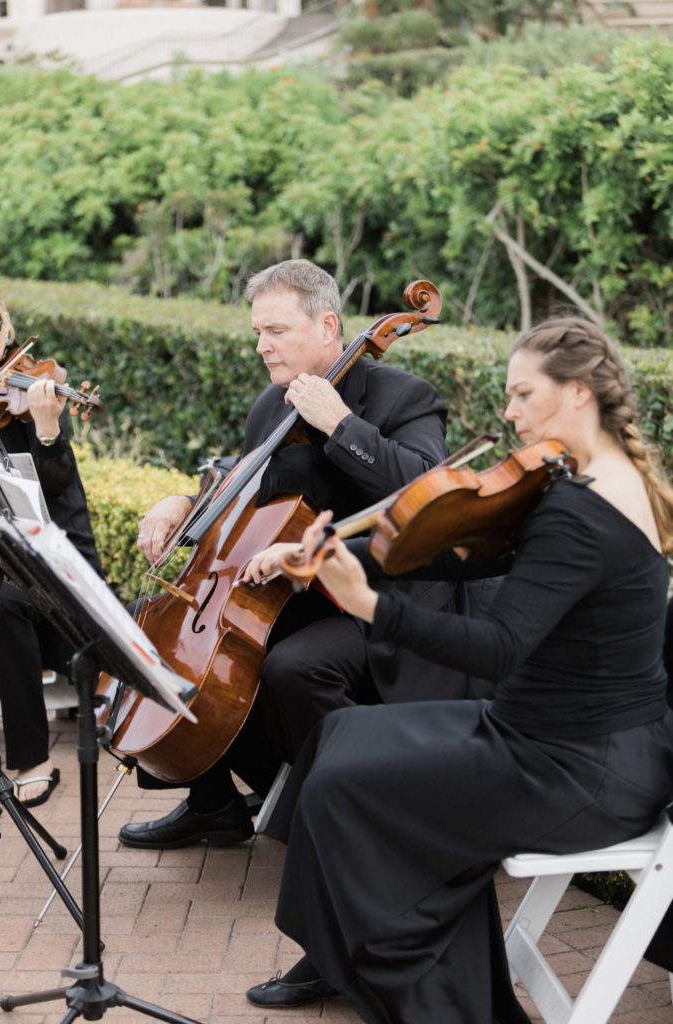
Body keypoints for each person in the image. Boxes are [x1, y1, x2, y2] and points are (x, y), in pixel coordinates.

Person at [245, 316, 673, 1021]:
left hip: (575, 768)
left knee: (345, 790)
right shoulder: (587, 479)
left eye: (521, 394)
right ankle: (408, 970)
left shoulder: (580, 510)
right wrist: (358, 557)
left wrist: (370, 608)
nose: (507, 412)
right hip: (554, 737)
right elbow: (473, 550)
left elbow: (498, 647)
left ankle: (425, 989)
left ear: (576, 395)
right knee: (337, 739)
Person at [118, 259, 496, 852]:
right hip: (297, 593)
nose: (262, 347)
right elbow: (244, 494)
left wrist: (340, 423)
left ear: (327, 326)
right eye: (257, 334)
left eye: (276, 331)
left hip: (379, 598)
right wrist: (180, 500)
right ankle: (217, 802)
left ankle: (358, 818)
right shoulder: (271, 405)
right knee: (155, 632)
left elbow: (425, 493)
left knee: (289, 667)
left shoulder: (403, 396)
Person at [0, 287, 103, 807]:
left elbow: (57, 491)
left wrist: (49, 426)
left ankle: (32, 758)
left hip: (48, 556)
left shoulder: (34, 395)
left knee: (7, 604)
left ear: (7, 332)